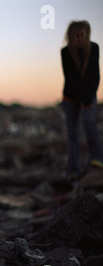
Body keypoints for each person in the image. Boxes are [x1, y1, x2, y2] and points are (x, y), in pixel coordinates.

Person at [61, 20, 103, 181]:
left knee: (88, 121)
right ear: (71, 37)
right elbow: (70, 79)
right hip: (70, 96)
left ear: (86, 36)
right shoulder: (65, 52)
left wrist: (88, 98)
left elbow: (95, 75)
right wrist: (82, 99)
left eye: (81, 35)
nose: (79, 38)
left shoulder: (94, 48)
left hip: (89, 94)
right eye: (75, 36)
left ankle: (98, 157)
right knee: (72, 132)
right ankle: (73, 168)